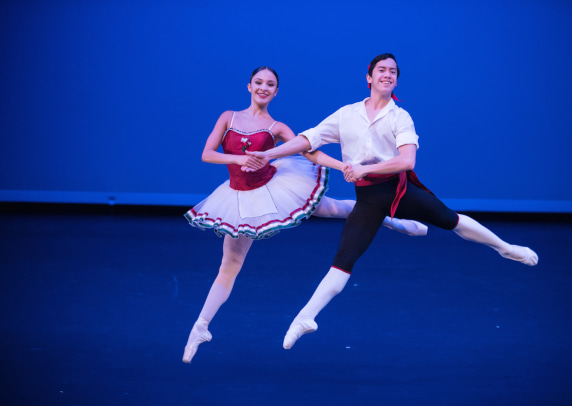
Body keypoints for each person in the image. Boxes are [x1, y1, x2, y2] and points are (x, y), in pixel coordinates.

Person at [244, 54, 538, 350]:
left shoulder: (400, 117)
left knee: (450, 219)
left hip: (398, 191)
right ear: (369, 77)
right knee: (343, 260)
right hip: (369, 201)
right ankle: (304, 318)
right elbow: (309, 139)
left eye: (393, 71)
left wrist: (365, 169)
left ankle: (505, 248)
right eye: (382, 70)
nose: (388, 74)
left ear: (396, 79)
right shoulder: (347, 114)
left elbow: (407, 160)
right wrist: (267, 155)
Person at [182, 65, 428, 363]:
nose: (264, 87)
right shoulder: (228, 117)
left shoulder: (277, 128)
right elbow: (207, 154)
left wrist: (343, 166)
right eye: (258, 82)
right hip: (238, 197)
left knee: (333, 208)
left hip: (276, 186)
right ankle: (201, 326)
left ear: (276, 91)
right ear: (249, 86)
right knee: (230, 265)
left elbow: (306, 147)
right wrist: (244, 158)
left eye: (270, 84)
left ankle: (393, 219)